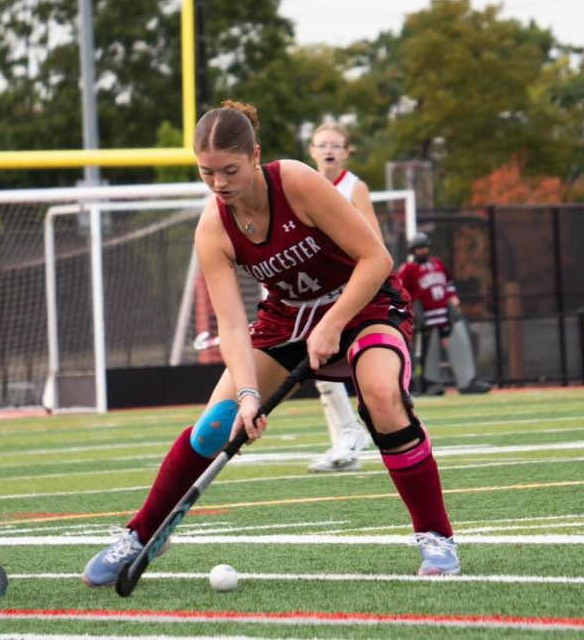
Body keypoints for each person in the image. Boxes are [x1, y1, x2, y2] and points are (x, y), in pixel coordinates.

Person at [82, 101, 460, 587]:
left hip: (364, 303)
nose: (219, 183)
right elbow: (233, 325)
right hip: (287, 319)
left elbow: (376, 258)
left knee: (383, 397)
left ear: (255, 155)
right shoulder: (213, 228)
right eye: (207, 172)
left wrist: (334, 322)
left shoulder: (296, 182)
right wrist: (246, 396)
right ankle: (142, 532)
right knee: (215, 424)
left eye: (230, 170)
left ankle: (436, 537)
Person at [303, 122, 375, 473]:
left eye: (336, 144)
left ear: (346, 152)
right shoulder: (304, 187)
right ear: (311, 150)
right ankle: (344, 439)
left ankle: (355, 433)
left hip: (351, 286)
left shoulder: (353, 187)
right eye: (322, 144)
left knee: (363, 362)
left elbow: (373, 241)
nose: (328, 149)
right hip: (318, 289)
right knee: (318, 361)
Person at [397, 232, 491, 395]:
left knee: (459, 342)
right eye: (419, 249)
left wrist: (453, 303)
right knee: (430, 350)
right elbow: (401, 291)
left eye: (424, 247)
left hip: (446, 314)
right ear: (412, 250)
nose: (422, 251)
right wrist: (413, 313)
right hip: (426, 317)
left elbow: (449, 285)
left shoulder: (438, 265)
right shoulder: (408, 269)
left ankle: (467, 380)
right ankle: (431, 383)